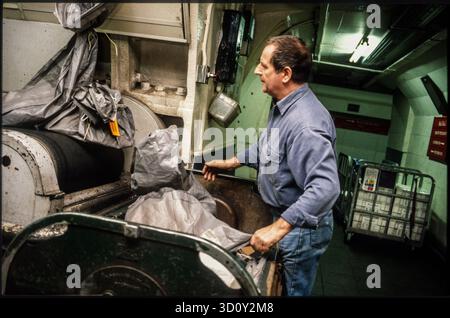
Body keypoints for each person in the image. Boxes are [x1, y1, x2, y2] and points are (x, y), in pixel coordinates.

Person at [202, 35, 340, 296]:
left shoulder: (306, 124)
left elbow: (326, 188)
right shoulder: (283, 107)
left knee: (291, 292)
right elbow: (269, 148)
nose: (257, 71)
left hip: (301, 229)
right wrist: (231, 162)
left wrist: (278, 228)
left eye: (264, 66)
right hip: (287, 218)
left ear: (285, 73)